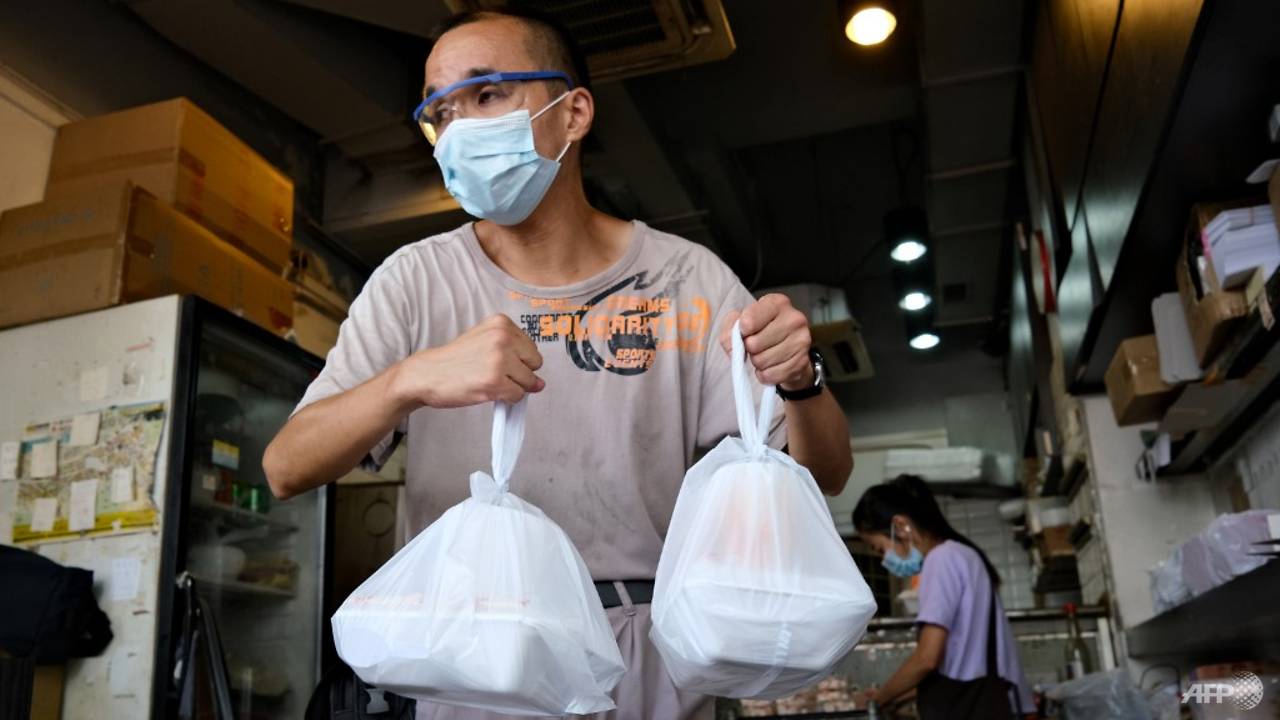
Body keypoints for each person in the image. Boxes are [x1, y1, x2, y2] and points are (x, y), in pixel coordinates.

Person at [262, 8, 855, 720]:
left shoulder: (687, 280)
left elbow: (822, 477)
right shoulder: (414, 281)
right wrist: (410, 378)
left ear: (571, 112)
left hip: (646, 654)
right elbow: (287, 466)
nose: (460, 129)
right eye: (440, 112)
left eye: (486, 95)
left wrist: (802, 380)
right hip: (477, 651)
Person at [852, 475, 1036, 719]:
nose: (884, 559)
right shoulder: (963, 555)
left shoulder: (941, 560)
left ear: (900, 527)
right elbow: (959, 667)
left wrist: (879, 698)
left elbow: (928, 659)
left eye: (879, 548)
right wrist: (895, 697)